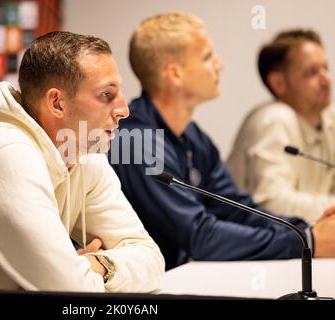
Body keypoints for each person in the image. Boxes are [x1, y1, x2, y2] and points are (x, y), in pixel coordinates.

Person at [108, 12, 335, 270]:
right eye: (207, 57)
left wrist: (304, 229)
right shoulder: (135, 142)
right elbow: (200, 236)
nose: (220, 64)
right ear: (175, 73)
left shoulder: (193, 135)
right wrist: (308, 241)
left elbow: (237, 208)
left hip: (177, 279)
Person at [0, 31, 164, 292]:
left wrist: (99, 264)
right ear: (57, 103)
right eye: (106, 95)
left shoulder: (83, 154)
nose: (123, 109)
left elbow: (151, 258)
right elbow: (72, 291)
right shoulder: (6, 155)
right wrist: (79, 271)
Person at [227, 29, 335, 224]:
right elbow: (272, 203)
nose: (326, 80)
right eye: (312, 72)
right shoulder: (274, 119)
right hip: (256, 247)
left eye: (326, 68)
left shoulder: (329, 119)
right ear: (278, 83)